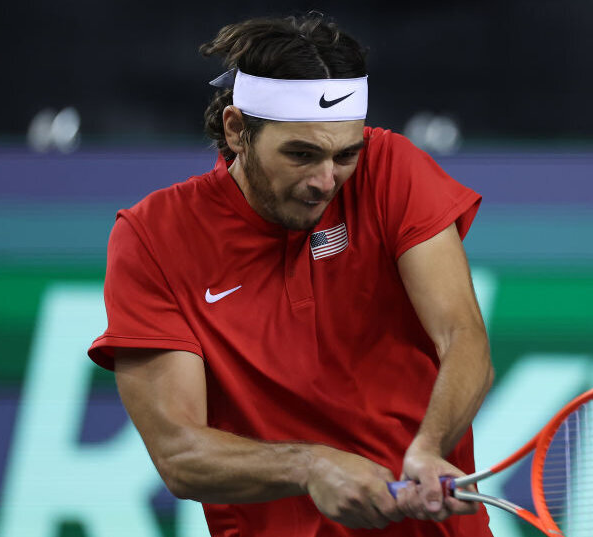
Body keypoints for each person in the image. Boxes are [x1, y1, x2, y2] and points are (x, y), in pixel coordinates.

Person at [88, 13, 494, 537]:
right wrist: (311, 466)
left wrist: (429, 446)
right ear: (237, 130)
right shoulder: (153, 235)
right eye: (301, 155)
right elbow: (180, 453)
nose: (326, 181)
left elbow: (463, 337)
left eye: (345, 155)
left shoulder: (391, 167)